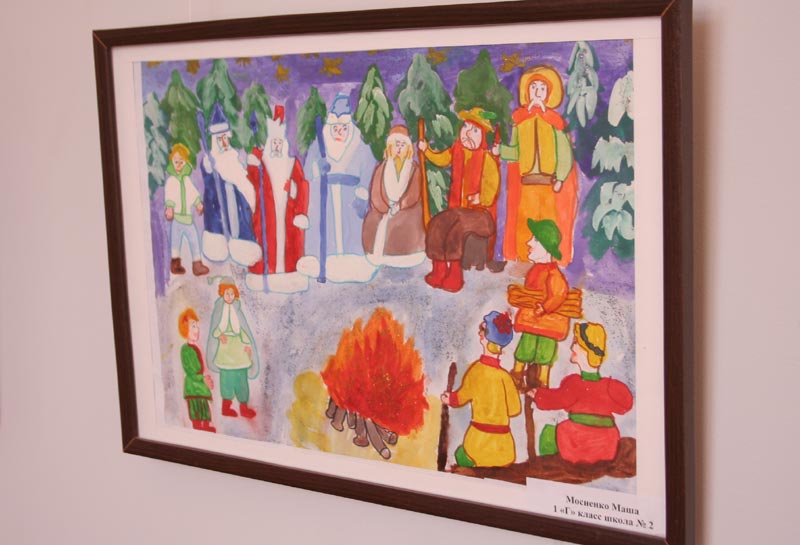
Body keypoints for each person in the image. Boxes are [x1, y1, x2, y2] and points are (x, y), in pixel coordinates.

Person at [501, 65, 578, 265]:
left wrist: (560, 178)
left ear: (549, 93)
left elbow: (564, 152)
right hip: (526, 183)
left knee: (548, 222)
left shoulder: (555, 122)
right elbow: (515, 152)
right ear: (527, 91)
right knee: (525, 221)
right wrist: (500, 150)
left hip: (549, 184)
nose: (537, 91)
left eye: (542, 88)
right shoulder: (520, 120)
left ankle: (546, 261)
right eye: (534, 87)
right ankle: (525, 261)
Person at [419, 108, 501, 293]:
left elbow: (492, 186)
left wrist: (481, 197)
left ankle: (455, 274)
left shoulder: (486, 158)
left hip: (480, 216)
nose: (468, 133)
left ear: (483, 137)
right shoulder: (457, 150)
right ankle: (439, 269)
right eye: (466, 127)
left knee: (456, 227)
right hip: (456, 211)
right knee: (437, 223)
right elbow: (441, 159)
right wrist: (427, 150)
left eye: (475, 130)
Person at [527, 322, 633, 464]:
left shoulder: (574, 383)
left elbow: (556, 400)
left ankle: (548, 464)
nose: (572, 347)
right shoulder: (611, 386)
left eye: (576, 342)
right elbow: (625, 405)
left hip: (577, 445)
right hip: (607, 447)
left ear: (586, 349)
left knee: (549, 431)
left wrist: (537, 394)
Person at [302, 94, 378, 283]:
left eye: (343, 129)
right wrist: (317, 167)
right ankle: (322, 262)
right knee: (325, 231)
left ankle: (353, 263)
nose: (339, 133)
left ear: (349, 128)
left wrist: (362, 194)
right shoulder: (319, 147)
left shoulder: (361, 147)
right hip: (325, 198)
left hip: (350, 199)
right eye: (335, 129)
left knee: (352, 231)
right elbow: (307, 172)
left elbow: (369, 171)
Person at [441, 311, 521, 468]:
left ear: (488, 338)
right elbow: (514, 409)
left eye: (483, 330)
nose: (479, 333)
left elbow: (460, 398)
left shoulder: (476, 371)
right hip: (504, 449)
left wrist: (448, 398)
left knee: (460, 453)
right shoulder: (505, 377)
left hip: (477, 446)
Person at [245, 105, 312, 293]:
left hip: (288, 215)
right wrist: (253, 165)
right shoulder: (261, 163)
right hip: (267, 216)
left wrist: (295, 196)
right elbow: (251, 184)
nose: (276, 146)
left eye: (279, 143)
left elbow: (303, 187)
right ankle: (266, 275)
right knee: (267, 243)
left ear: (283, 144)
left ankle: (289, 275)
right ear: (269, 144)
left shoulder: (292, 163)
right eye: (273, 143)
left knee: (290, 247)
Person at [510, 219, 571, 390]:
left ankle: (542, 381)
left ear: (547, 247)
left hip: (549, 324)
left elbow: (559, 293)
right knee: (525, 348)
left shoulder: (553, 273)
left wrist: (545, 308)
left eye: (535, 239)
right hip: (531, 322)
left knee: (545, 352)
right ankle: (517, 375)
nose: (529, 243)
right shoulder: (535, 270)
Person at [201, 103, 261, 267]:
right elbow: (209, 186)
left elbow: (244, 182)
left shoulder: (233, 158)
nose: (223, 143)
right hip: (219, 209)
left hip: (236, 202)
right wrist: (208, 169)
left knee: (239, 226)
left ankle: (241, 253)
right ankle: (224, 254)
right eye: (219, 140)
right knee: (222, 229)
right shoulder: (211, 161)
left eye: (225, 139)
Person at [362, 125, 426, 268]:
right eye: (396, 144)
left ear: (408, 148)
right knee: (373, 220)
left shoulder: (414, 169)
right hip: (384, 208)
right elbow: (375, 192)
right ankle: (375, 253)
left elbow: (414, 193)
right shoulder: (381, 168)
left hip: (406, 208)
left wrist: (400, 205)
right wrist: (384, 208)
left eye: (403, 145)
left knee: (404, 222)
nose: (399, 148)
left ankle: (406, 255)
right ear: (390, 146)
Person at [206, 276, 260, 419]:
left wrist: (248, 345)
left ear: (235, 294)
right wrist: (219, 335)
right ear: (222, 294)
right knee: (227, 379)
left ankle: (243, 407)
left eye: (231, 293)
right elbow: (215, 329)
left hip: (238, 350)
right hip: (225, 350)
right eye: (226, 293)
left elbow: (242, 330)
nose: (229, 296)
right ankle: (226, 407)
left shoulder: (237, 310)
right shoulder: (219, 310)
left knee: (241, 378)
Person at [164, 144, 209, 276]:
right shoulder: (171, 181)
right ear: (172, 162)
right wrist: (169, 208)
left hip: (188, 218)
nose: (178, 165)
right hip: (177, 218)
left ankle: (197, 265)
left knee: (194, 240)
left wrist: (198, 204)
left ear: (185, 163)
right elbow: (169, 195)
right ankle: (175, 264)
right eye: (176, 162)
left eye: (181, 162)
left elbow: (193, 193)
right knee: (175, 241)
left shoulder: (187, 180)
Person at [178, 308, 215, 432]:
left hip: (200, 385)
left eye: (197, 326)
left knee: (204, 407)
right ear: (185, 328)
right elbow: (190, 371)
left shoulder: (197, 348)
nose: (197, 329)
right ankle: (198, 428)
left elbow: (202, 369)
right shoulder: (185, 349)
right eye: (193, 326)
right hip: (193, 387)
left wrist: (206, 379)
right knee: (196, 410)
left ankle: (206, 426)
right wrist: (203, 379)